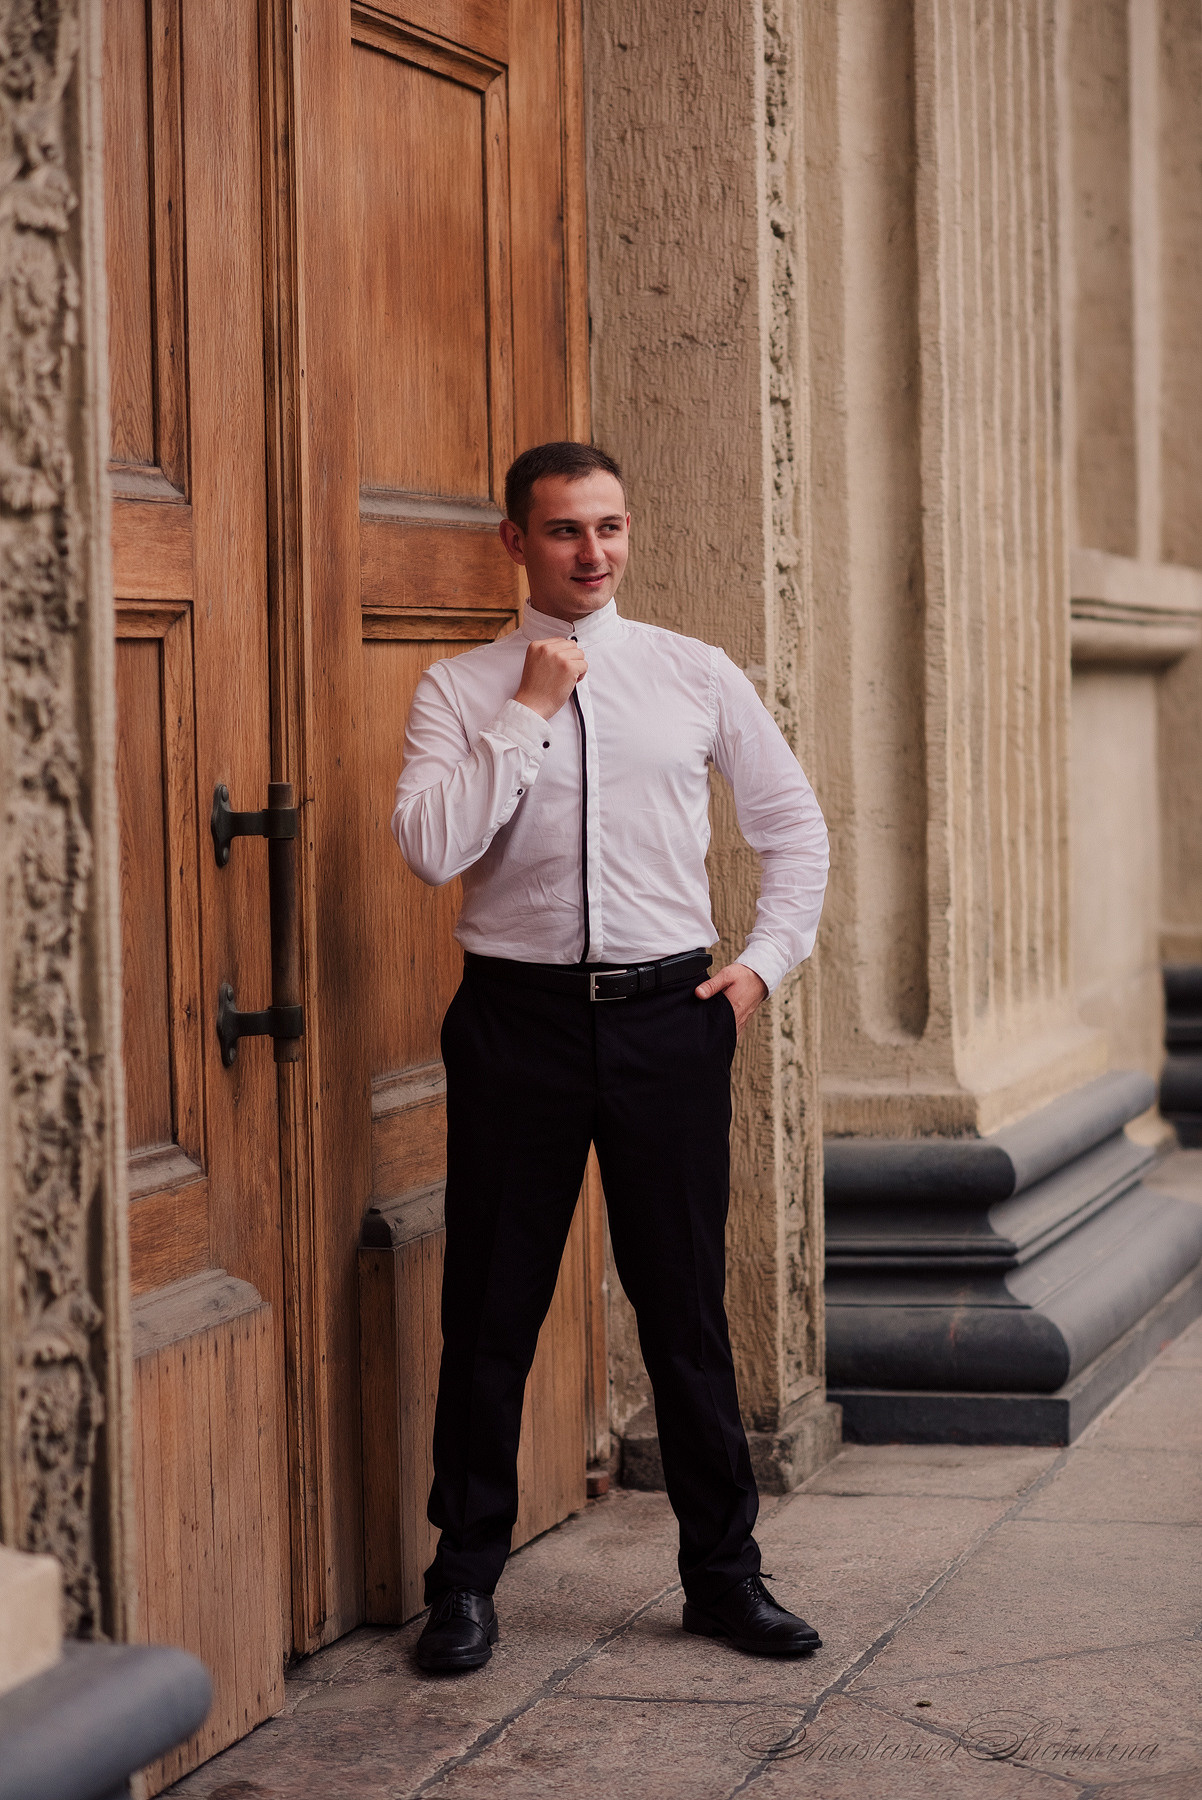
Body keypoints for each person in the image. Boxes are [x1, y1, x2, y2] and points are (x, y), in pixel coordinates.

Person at [392, 441, 829, 1674]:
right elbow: (430, 848)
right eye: (565, 531)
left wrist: (762, 965)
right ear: (514, 543)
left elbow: (792, 827)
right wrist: (528, 709)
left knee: (684, 1307)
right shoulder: (460, 688)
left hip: (664, 1021)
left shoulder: (693, 673)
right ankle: (462, 1584)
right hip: (513, 1026)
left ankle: (723, 1579)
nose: (593, 552)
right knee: (490, 1307)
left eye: (610, 528)